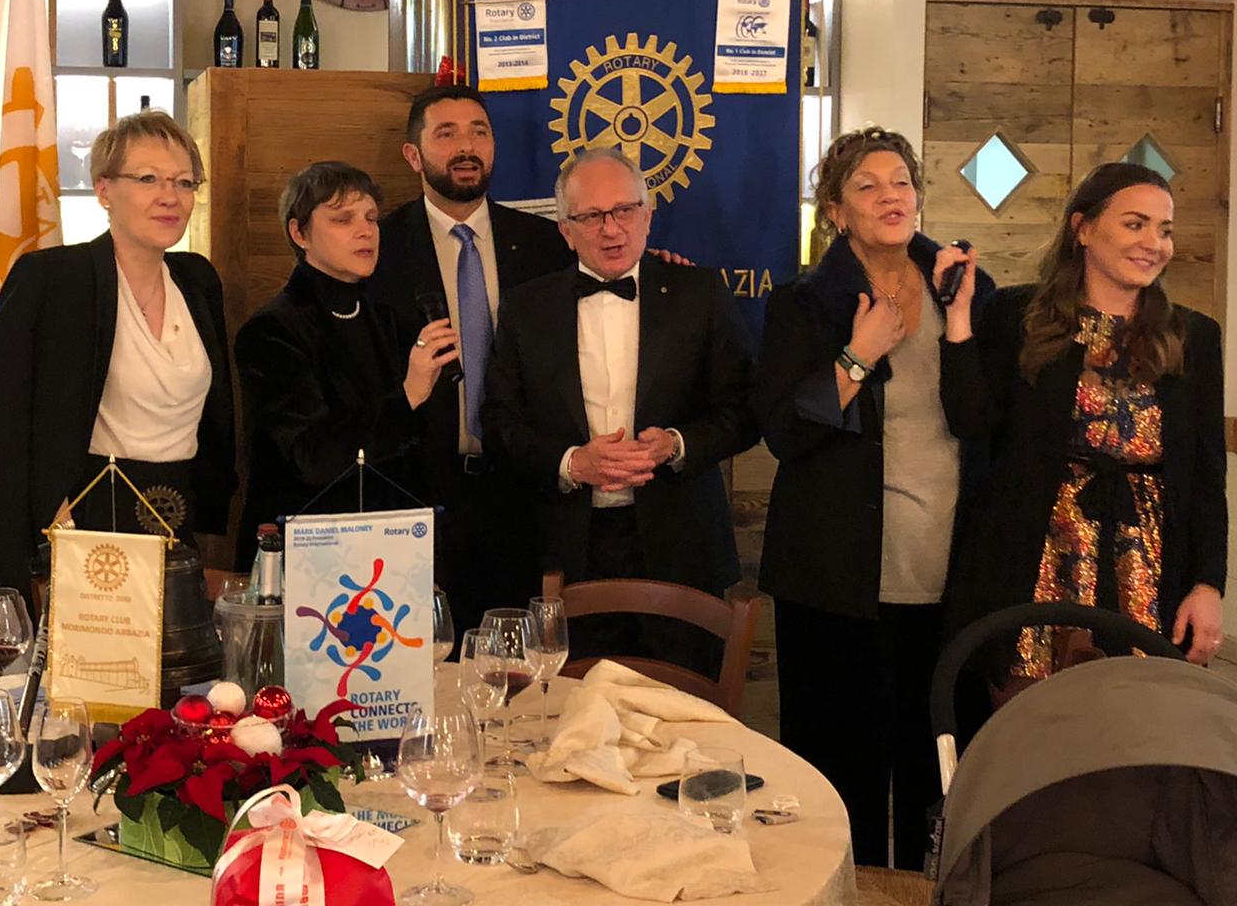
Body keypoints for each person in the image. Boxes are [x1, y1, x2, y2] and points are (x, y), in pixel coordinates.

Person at [755, 126, 995, 871]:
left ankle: (929, 889)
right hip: (836, 577)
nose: (891, 197)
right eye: (867, 186)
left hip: (947, 571)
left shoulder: (968, 289)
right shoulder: (802, 304)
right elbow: (784, 434)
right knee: (840, 769)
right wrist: (857, 357)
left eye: (902, 182)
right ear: (835, 211)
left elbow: (981, 420)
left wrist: (958, 323)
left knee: (938, 769)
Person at [939, 161, 1227, 683]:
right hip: (1035, 558)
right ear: (1084, 228)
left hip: (1149, 563)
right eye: (1135, 224)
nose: (1154, 244)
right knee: (1030, 714)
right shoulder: (1018, 315)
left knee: (1141, 711)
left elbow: (1207, 477)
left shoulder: (1193, 337)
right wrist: (958, 320)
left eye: (1164, 229)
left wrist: (1208, 585)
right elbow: (969, 420)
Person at [481, 148, 757, 671]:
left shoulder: (700, 294)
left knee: (684, 705)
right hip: (569, 548)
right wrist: (571, 463)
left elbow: (745, 408)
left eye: (624, 211)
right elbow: (498, 424)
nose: (611, 229)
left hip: (682, 543)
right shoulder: (525, 307)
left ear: (647, 216)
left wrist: (676, 444)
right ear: (566, 231)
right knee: (573, 707)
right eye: (591, 216)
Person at [0, 112, 236, 605]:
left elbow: (218, 420)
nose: (170, 196)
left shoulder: (198, 280)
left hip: (177, 521)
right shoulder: (52, 279)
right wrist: (10, 566)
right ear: (103, 190)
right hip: (83, 526)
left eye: (184, 182)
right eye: (148, 179)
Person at [367, 85, 573, 629]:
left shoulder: (545, 245)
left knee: (516, 664)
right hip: (416, 499)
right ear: (413, 155)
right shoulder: (379, 249)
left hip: (522, 496)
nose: (466, 147)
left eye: (479, 132)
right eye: (447, 134)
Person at [234, 161, 459, 571]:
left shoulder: (386, 316)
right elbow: (313, 458)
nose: (365, 231)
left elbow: (416, 453)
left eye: (371, 218)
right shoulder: (271, 330)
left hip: (394, 547)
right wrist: (408, 394)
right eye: (343, 219)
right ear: (299, 233)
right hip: (309, 550)